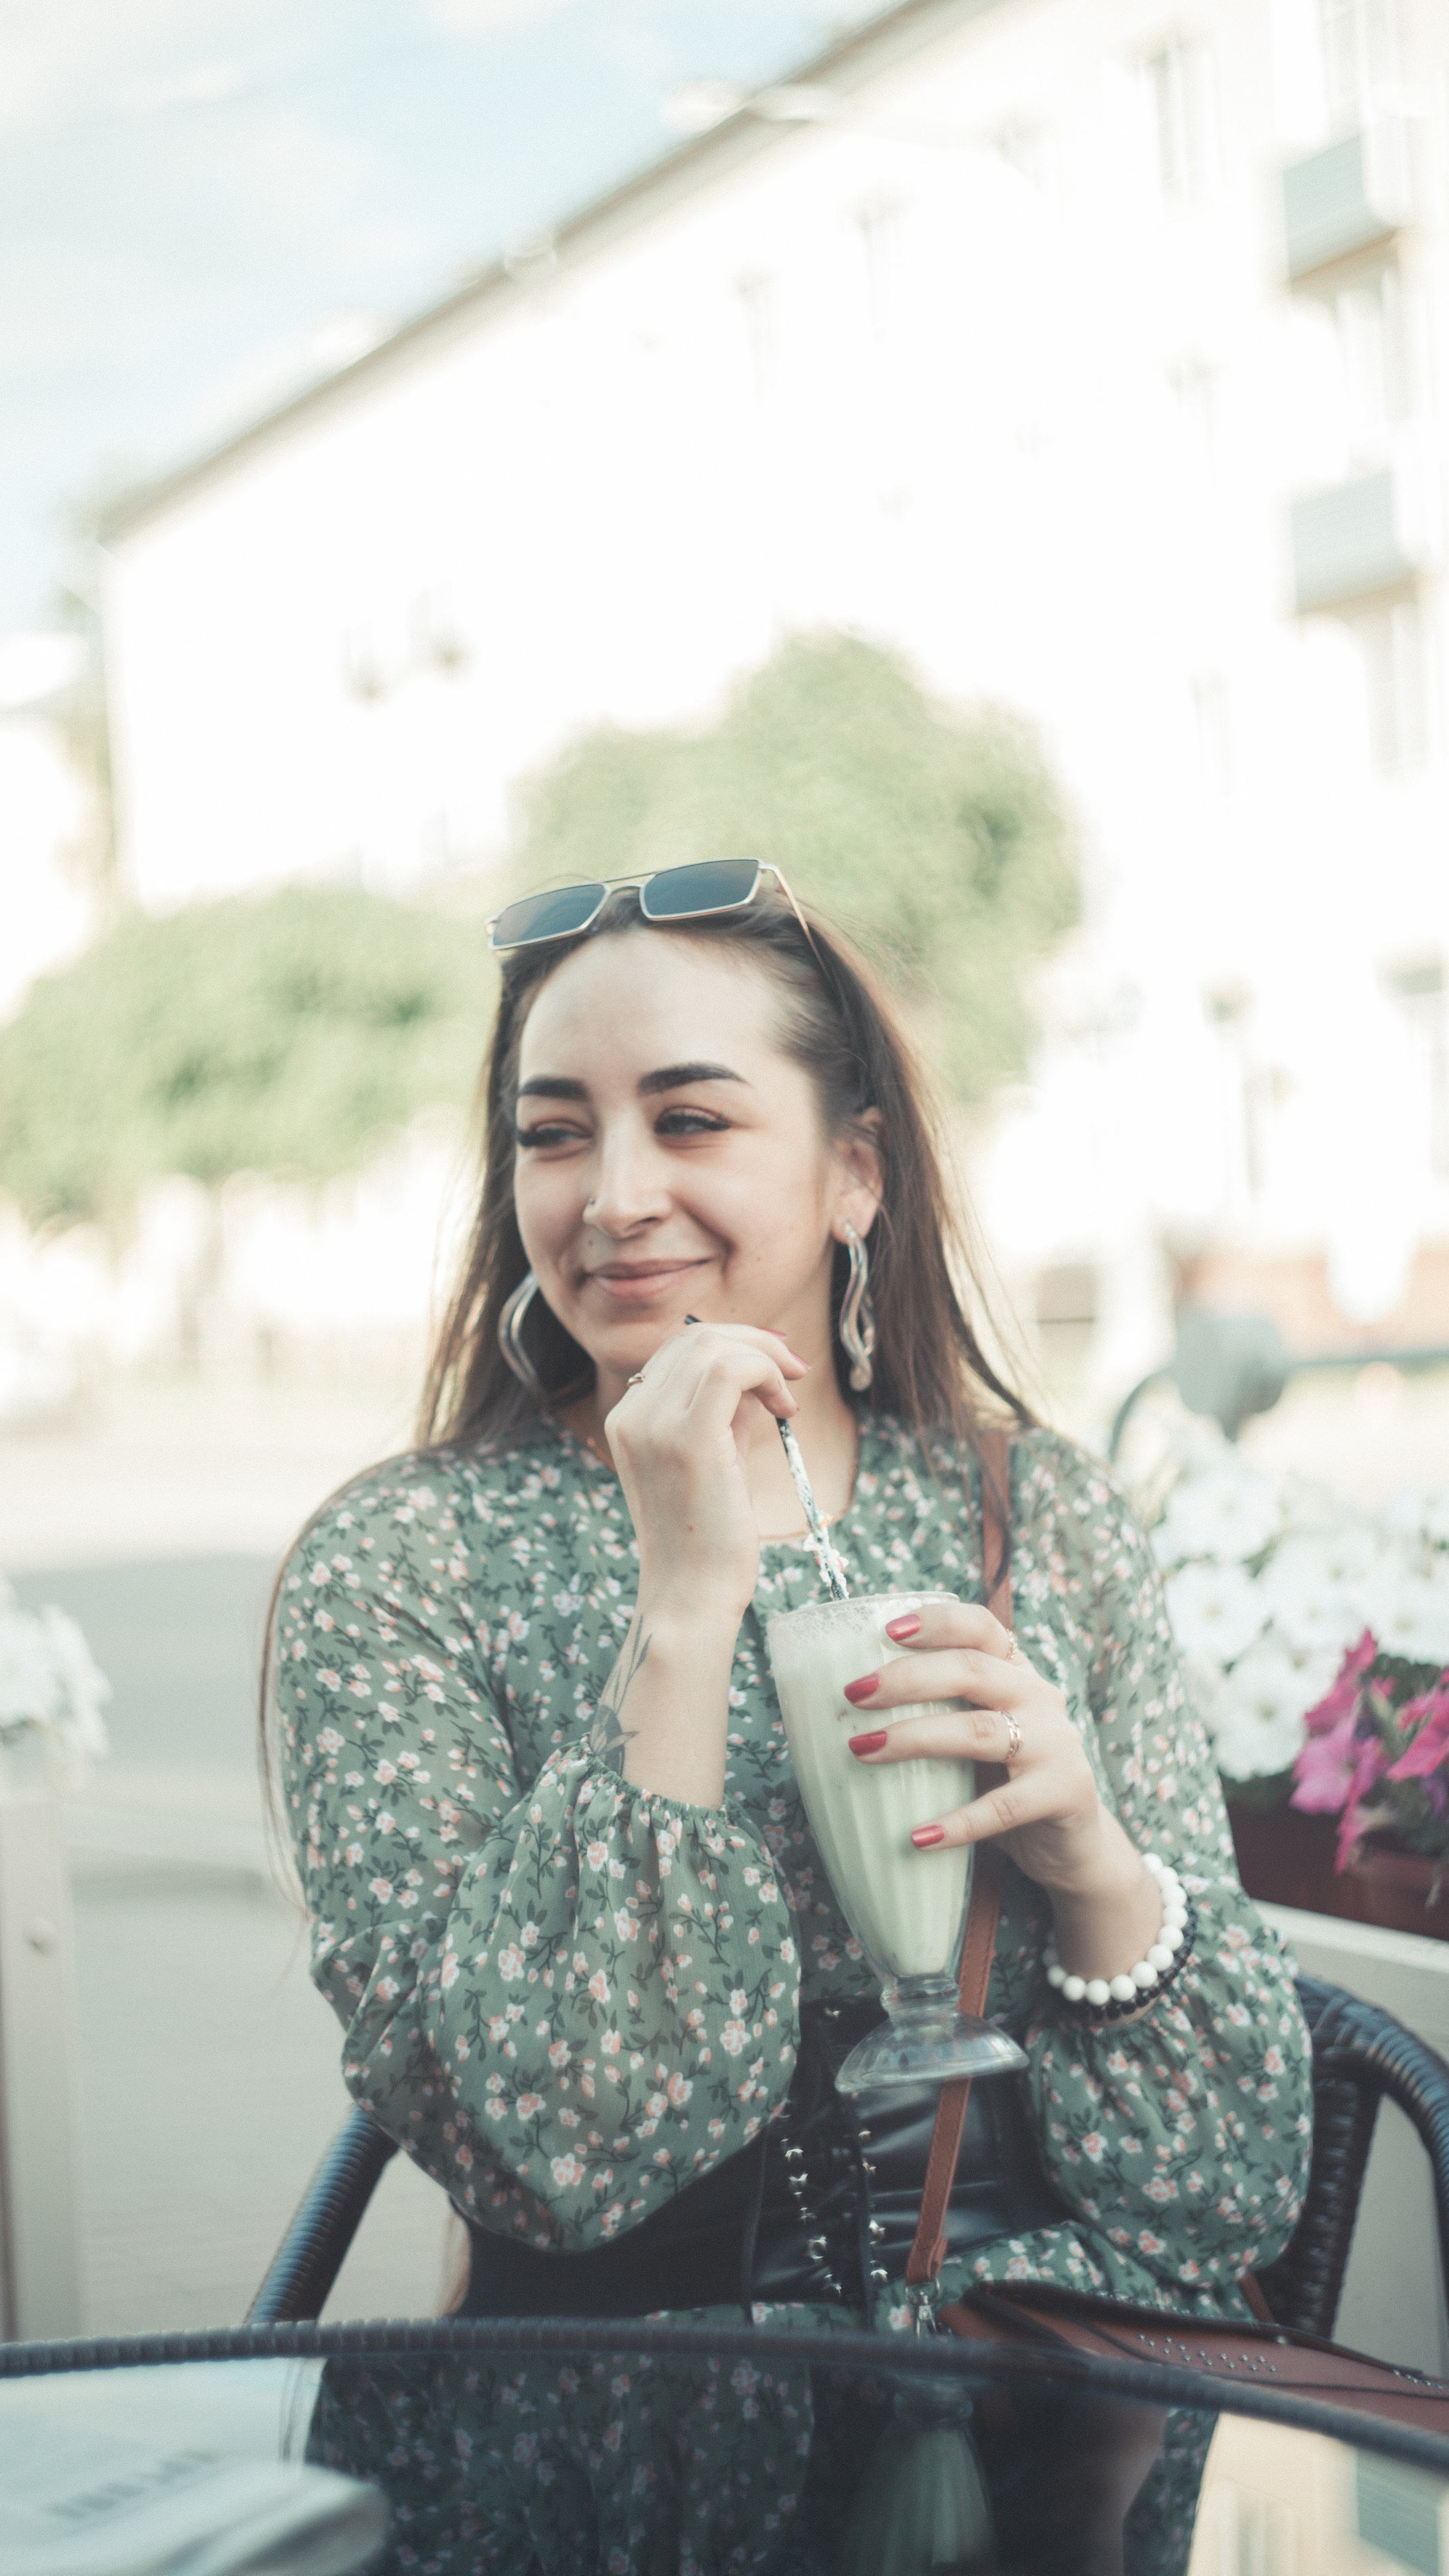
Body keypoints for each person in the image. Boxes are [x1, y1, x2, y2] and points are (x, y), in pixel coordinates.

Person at [268, 862, 1311, 2332]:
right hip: (628, 2430)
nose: (615, 1196)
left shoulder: (1034, 1513)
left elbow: (1228, 2185)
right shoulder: (403, 1564)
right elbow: (553, 2157)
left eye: (689, 1119)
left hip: (1034, 2396)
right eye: (553, 1135)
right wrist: (683, 1612)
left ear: (854, 1173)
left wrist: (1093, 1870)